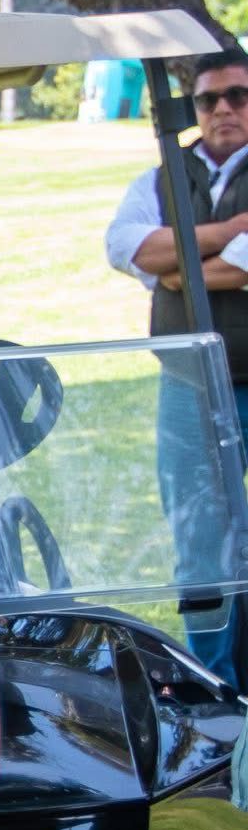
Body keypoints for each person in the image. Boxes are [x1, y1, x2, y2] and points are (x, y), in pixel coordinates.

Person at [105, 46, 248, 685]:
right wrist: (231, 230)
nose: (223, 109)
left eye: (238, 95)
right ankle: (215, 688)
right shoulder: (162, 176)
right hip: (190, 384)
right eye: (208, 99)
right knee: (199, 541)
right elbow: (127, 246)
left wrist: (179, 268)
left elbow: (174, 264)